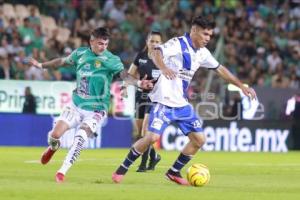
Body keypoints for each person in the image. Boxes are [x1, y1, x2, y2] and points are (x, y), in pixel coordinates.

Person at [112, 16, 257, 185]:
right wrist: (164, 67)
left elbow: (221, 69)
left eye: (210, 35)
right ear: (194, 30)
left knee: (199, 140)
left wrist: (242, 86)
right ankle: (122, 168)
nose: (208, 38)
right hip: (163, 101)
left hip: (181, 104)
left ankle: (174, 172)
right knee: (151, 137)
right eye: (205, 34)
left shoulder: (203, 53)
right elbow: (156, 52)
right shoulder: (177, 43)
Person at [29, 27, 153, 183]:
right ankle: (53, 147)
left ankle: (62, 171)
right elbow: (61, 61)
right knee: (54, 135)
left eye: (106, 44)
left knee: (81, 137)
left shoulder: (111, 60)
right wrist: (41, 65)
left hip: (96, 109)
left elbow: (124, 75)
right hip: (76, 105)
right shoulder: (80, 53)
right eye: (100, 43)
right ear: (91, 41)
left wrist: (139, 83)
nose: (103, 47)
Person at [127, 31, 162, 172]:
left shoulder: (164, 58)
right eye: (152, 41)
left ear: (161, 44)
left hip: (154, 98)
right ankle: (154, 157)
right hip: (140, 96)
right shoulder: (140, 57)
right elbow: (129, 76)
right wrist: (130, 85)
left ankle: (143, 165)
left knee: (145, 132)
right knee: (141, 134)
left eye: (157, 42)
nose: (154, 44)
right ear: (147, 42)